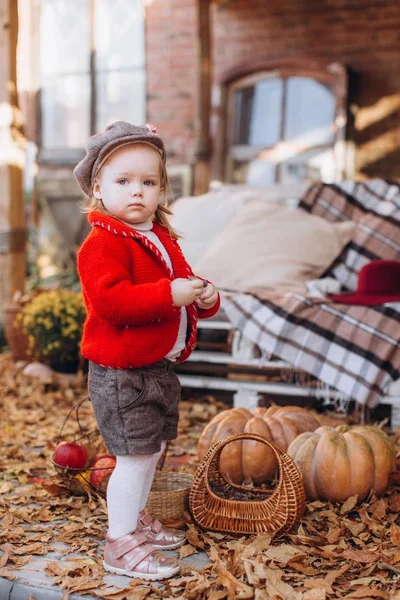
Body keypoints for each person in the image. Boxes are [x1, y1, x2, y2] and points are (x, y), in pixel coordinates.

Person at [73, 121, 220, 581]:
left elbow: (182, 285)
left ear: (161, 188)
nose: (137, 191)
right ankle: (118, 543)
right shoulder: (102, 244)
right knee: (132, 457)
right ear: (98, 186)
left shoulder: (160, 236)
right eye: (123, 181)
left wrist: (205, 296)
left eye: (148, 181)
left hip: (155, 368)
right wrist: (167, 295)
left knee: (151, 451)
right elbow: (111, 303)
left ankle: (134, 523)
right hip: (122, 373)